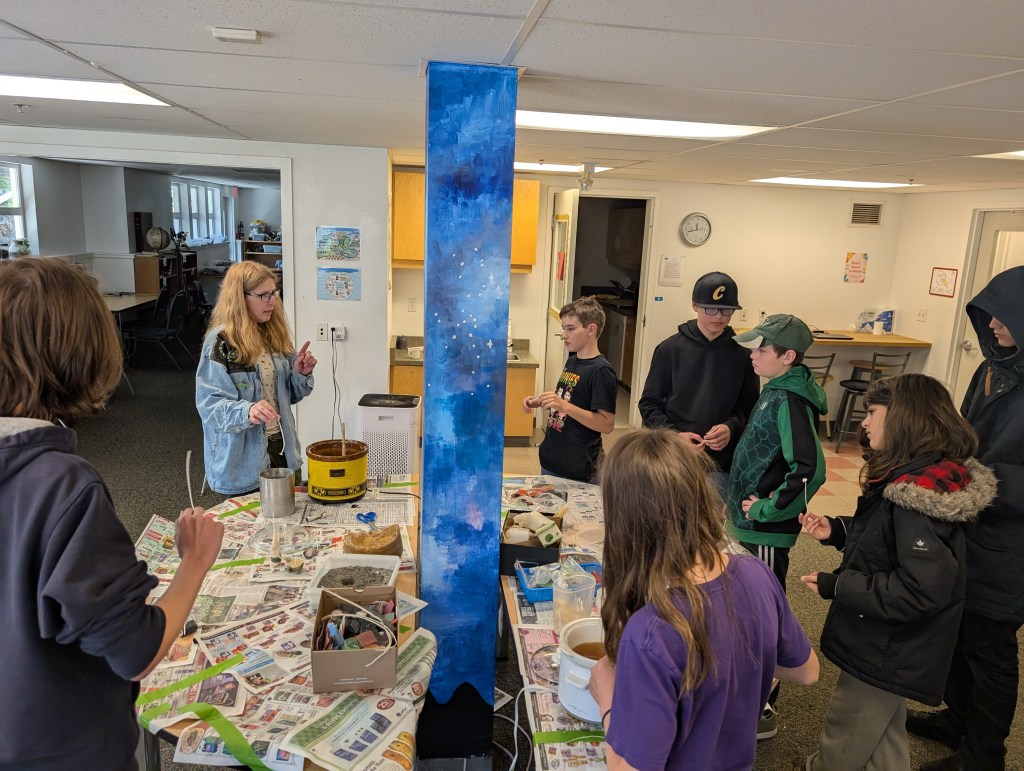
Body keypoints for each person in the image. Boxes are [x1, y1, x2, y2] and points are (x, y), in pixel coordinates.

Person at [0, 257, 224, 769]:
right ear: (83, 352)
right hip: (68, 749)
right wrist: (194, 561)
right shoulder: (62, 486)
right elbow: (135, 652)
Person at [587, 429, 819, 770]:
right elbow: (807, 670)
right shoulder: (756, 572)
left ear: (625, 523)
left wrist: (607, 700)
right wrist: (732, 661)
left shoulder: (650, 633)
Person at [799, 374, 996, 771]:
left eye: (872, 412)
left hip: (889, 643)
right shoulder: (912, 479)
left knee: (849, 724)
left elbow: (920, 589)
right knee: (884, 728)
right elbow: (885, 542)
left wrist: (839, 585)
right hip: (893, 639)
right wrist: (837, 530)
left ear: (905, 417)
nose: (864, 423)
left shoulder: (912, 498)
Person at [906, 266, 1024, 771]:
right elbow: (968, 434)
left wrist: (979, 479)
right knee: (957, 631)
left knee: (990, 649)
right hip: (969, 526)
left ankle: (983, 756)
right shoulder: (992, 369)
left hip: (1010, 541)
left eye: (1004, 316)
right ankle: (957, 720)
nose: (992, 325)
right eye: (989, 315)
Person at [726, 312, 827, 738]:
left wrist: (766, 509)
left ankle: (762, 708)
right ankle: (747, 692)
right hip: (749, 525)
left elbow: (809, 470)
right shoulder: (775, 389)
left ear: (787, 357)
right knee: (745, 609)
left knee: (763, 614)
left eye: (761, 348)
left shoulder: (791, 400)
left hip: (766, 531)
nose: (753, 354)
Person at [197, 261, 317, 495]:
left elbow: (290, 395)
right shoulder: (220, 342)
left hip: (282, 449)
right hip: (242, 463)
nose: (272, 301)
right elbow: (209, 406)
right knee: (251, 518)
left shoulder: (273, 335)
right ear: (239, 298)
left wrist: (300, 374)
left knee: (289, 515)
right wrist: (247, 411)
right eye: (263, 295)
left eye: (274, 293)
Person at [638, 271, 759, 491]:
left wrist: (731, 428)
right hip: (673, 456)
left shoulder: (743, 356)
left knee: (712, 510)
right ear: (694, 306)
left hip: (720, 463)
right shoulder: (669, 349)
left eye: (726, 310)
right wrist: (675, 437)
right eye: (710, 309)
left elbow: (750, 408)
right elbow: (648, 404)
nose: (718, 316)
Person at [523, 296, 616, 482]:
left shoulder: (601, 371)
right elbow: (570, 398)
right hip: (552, 461)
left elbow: (606, 424)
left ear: (591, 329)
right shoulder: (572, 361)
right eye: (563, 328)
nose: (565, 335)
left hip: (580, 469)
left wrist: (563, 406)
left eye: (571, 329)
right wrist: (540, 401)